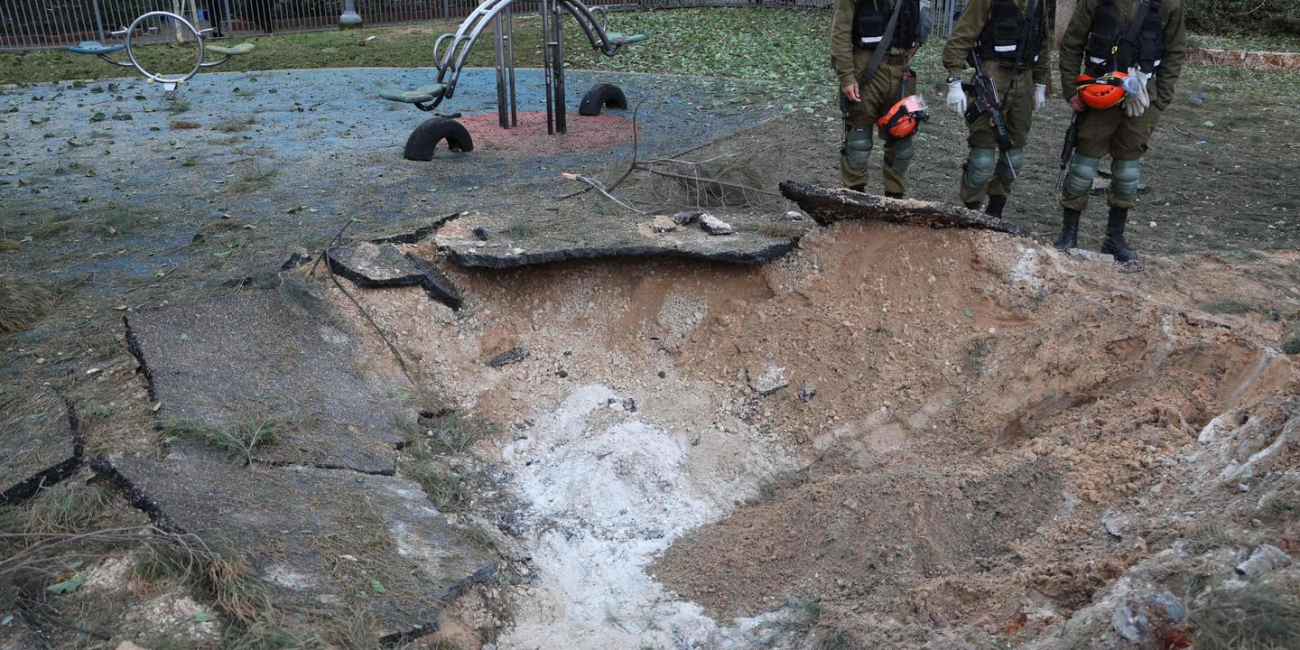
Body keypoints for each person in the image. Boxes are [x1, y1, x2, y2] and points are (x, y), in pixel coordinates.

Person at [1054, 0, 1185, 262]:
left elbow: (1174, 51)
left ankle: (1114, 239)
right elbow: (1072, 43)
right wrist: (1071, 90)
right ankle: (1069, 234)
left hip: (1142, 101)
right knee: (1082, 168)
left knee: (1127, 173)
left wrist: (1160, 101)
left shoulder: (1171, 3)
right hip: (1097, 94)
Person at [942, 0, 1051, 218]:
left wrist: (1041, 82)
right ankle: (971, 213)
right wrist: (954, 80)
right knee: (982, 158)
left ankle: (995, 213)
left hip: (1025, 78)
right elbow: (963, 35)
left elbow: (1042, 42)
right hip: (993, 74)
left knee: (1014, 157)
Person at [830, 0, 932, 198]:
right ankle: (855, 199)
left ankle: (894, 202)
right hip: (865, 70)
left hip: (901, 73)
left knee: (902, 142)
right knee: (858, 143)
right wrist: (846, 76)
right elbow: (839, 34)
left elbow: (921, 23)